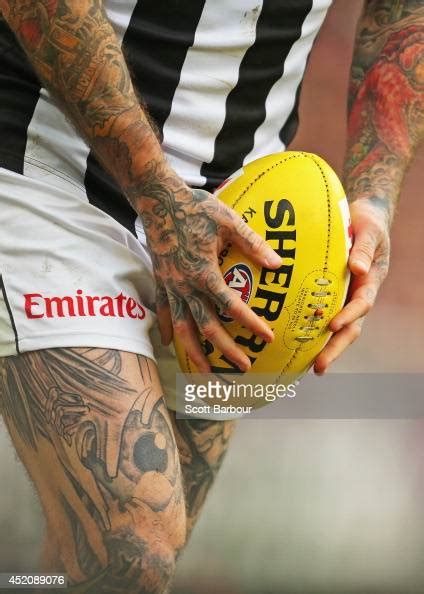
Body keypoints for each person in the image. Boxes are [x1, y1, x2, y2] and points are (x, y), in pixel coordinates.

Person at [0, 0, 422, 591]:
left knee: (108, 574)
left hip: (245, 216)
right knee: (132, 547)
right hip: (51, 166)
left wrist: (373, 193)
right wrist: (156, 191)